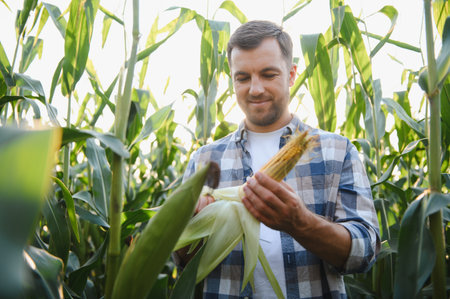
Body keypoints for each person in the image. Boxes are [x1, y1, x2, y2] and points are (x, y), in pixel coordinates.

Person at [181, 20, 380, 298]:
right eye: (243, 77)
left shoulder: (337, 151)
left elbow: (365, 252)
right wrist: (187, 228)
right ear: (232, 79)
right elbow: (184, 265)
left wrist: (300, 223)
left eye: (268, 74)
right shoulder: (204, 161)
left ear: (291, 74)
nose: (255, 89)